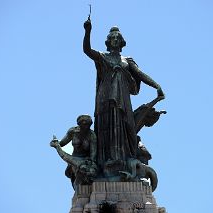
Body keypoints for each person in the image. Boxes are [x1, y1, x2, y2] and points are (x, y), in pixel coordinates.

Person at [83, 18, 164, 176]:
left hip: (123, 100)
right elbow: (87, 50)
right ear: (108, 42)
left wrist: (156, 86)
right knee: (107, 127)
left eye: (117, 38)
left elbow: (140, 74)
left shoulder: (127, 61)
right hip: (105, 98)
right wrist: (87, 31)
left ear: (121, 42)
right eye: (112, 38)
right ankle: (106, 162)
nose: (115, 40)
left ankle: (122, 160)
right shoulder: (102, 56)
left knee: (124, 127)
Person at [52, 115, 97, 184]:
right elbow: (62, 143)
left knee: (86, 173)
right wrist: (56, 143)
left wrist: (91, 162)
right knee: (76, 176)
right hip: (74, 158)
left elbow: (93, 153)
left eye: (87, 124)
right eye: (83, 124)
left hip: (85, 159)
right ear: (79, 124)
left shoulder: (92, 135)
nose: (85, 126)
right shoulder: (73, 132)